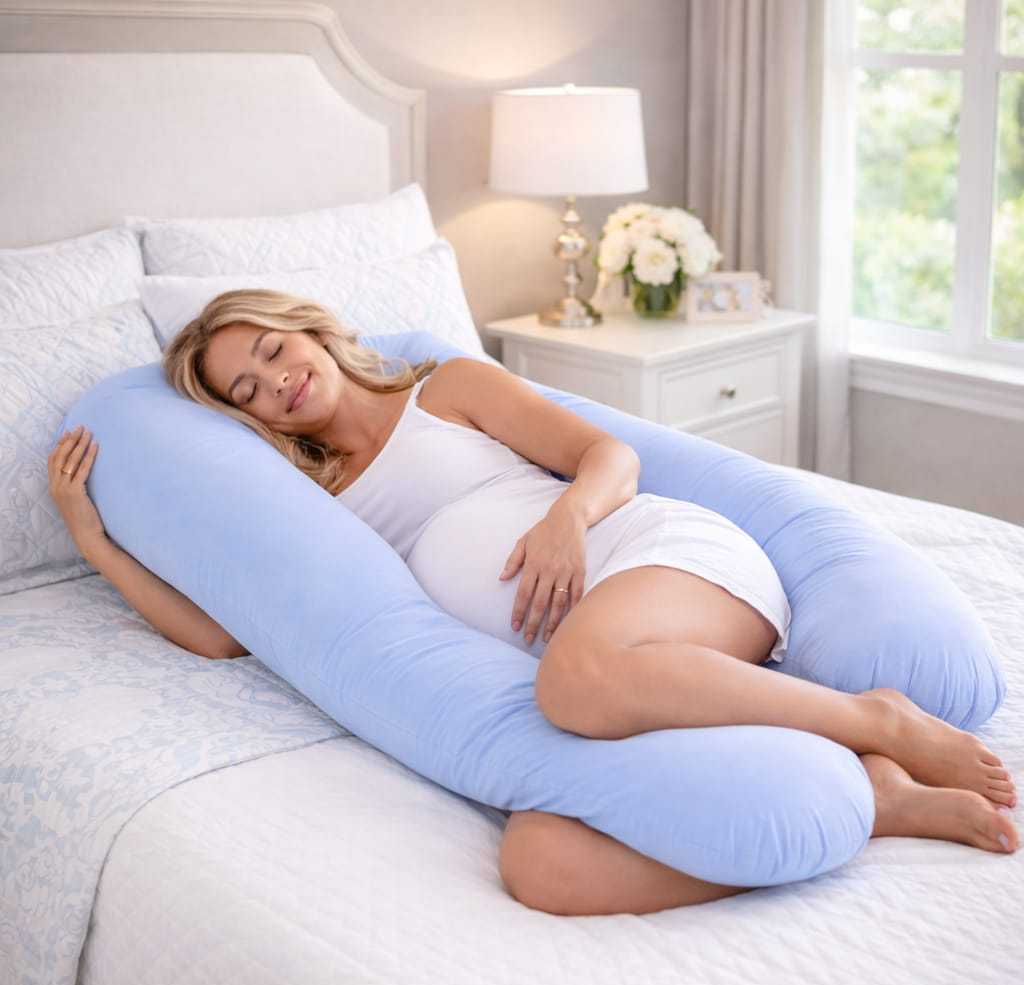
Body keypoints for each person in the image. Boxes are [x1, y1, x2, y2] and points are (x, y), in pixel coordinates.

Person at [49, 289, 1019, 918]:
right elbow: (226, 635)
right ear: (244, 418)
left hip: (658, 560)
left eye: (272, 348)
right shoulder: (309, 497)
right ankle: (873, 802)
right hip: (606, 671)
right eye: (248, 389)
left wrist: (568, 518)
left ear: (312, 329)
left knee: (576, 679)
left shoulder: (445, 389)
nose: (276, 380)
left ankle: (875, 719)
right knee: (542, 865)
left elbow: (609, 454)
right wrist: (94, 543)